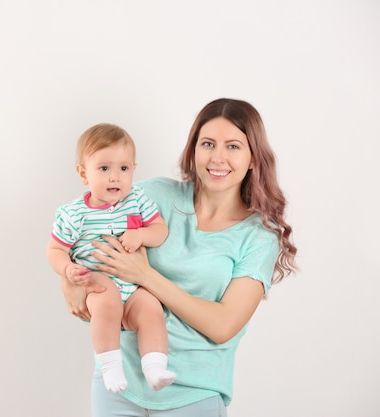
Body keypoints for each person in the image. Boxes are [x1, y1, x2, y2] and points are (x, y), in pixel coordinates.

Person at [60, 98, 298, 416]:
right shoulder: (153, 196)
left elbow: (223, 324)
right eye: (208, 144)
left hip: (194, 395)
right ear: (193, 150)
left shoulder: (258, 238)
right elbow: (87, 238)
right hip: (118, 385)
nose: (218, 157)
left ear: (254, 157)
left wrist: (145, 276)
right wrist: (70, 282)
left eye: (233, 147)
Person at [47, 123, 177, 394]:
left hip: (132, 285)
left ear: (133, 169)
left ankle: (154, 367)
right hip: (96, 280)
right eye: (104, 169)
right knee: (106, 298)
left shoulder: (137, 200)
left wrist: (141, 235)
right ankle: (110, 365)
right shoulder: (74, 215)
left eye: (124, 168)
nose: (115, 177)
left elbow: (160, 230)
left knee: (151, 307)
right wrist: (67, 270)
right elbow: (55, 250)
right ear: (84, 174)